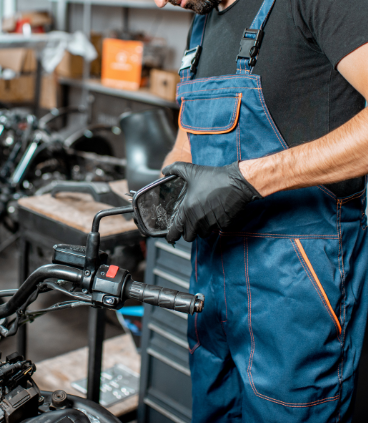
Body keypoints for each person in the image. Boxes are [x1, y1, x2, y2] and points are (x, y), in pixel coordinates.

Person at [152, 0, 368, 421]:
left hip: (298, 287)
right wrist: (164, 190)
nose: (160, 2)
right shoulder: (201, 25)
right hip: (211, 281)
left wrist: (248, 179)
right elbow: (186, 139)